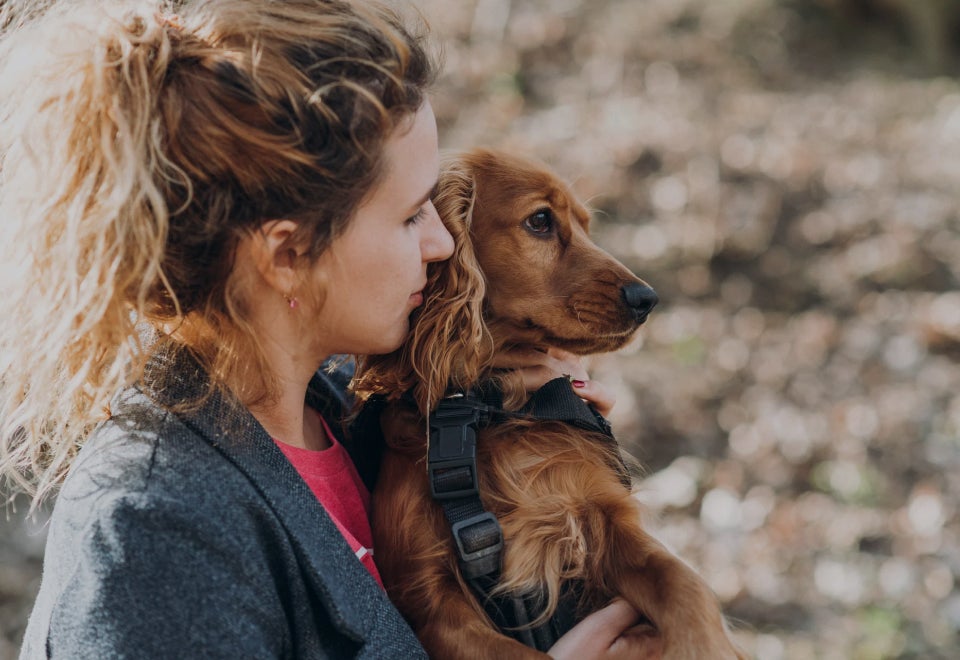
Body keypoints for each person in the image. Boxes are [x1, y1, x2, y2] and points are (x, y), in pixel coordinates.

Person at [0, 1, 662, 658]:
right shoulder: (157, 533)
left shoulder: (358, 416)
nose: (442, 243)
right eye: (412, 215)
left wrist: (530, 443)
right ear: (288, 255)